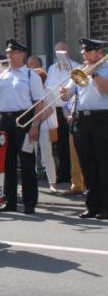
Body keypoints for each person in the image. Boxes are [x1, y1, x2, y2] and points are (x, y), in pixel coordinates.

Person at [0, 39, 45, 214]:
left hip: (24, 118)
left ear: (22, 54)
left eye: (13, 53)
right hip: (4, 120)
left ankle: (29, 201)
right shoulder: (1, 74)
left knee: (27, 161)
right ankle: (9, 200)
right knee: (6, 163)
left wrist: (35, 125)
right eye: (8, 53)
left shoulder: (30, 75)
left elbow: (39, 102)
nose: (9, 56)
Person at [60, 38, 108, 219]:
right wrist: (64, 93)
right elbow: (67, 96)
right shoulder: (81, 71)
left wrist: (93, 74)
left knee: (104, 164)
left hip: (102, 119)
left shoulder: (105, 69)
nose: (84, 56)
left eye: (87, 52)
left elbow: (106, 90)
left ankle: (106, 206)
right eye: (83, 53)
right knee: (87, 165)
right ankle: (92, 205)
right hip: (82, 120)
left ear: (98, 52)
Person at [46, 41, 79, 184]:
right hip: (56, 109)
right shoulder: (52, 68)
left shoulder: (76, 67)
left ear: (67, 51)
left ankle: (76, 175)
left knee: (72, 143)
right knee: (60, 143)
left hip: (70, 108)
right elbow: (48, 86)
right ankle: (63, 172)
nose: (59, 54)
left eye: (62, 51)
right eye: (57, 52)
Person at [34, 68, 58, 194]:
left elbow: (50, 109)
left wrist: (37, 121)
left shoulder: (47, 91)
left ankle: (52, 183)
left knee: (47, 154)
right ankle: (31, 184)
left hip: (44, 127)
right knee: (30, 155)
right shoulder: (30, 91)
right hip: (32, 126)